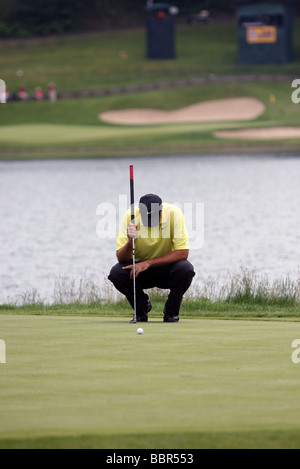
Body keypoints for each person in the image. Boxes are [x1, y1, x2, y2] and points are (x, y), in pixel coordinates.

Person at [108, 194, 195, 323]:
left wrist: (148, 263)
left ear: (161, 210)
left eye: (153, 217)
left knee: (185, 269)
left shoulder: (174, 213)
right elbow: (121, 258)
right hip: (139, 271)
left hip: (167, 269)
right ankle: (141, 309)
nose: (150, 222)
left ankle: (171, 312)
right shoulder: (130, 217)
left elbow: (182, 253)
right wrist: (130, 242)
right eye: (146, 218)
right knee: (117, 273)